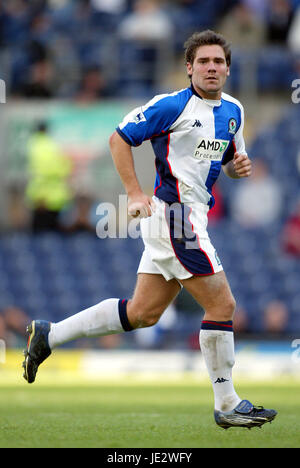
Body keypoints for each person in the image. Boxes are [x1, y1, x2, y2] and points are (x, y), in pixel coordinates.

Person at [22, 30, 277, 429]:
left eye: (219, 62)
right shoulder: (171, 106)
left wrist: (236, 169)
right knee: (222, 305)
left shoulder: (234, 111)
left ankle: (48, 335)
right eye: (204, 62)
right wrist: (134, 193)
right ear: (189, 67)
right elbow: (119, 139)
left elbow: (228, 160)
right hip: (175, 216)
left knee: (142, 313)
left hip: (191, 216)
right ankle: (227, 402)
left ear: (228, 69)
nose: (212, 68)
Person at [26, 122, 73, 232]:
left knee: (38, 233)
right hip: (55, 195)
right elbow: (62, 168)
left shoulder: (32, 145)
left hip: (37, 194)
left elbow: (37, 171)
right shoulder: (52, 145)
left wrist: (39, 195)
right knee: (54, 233)